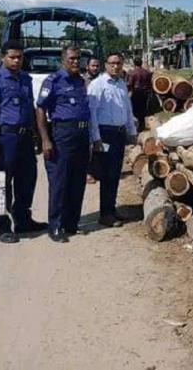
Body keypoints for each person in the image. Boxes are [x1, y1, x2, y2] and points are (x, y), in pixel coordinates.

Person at [0, 41, 47, 243]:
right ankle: (2, 225)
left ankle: (23, 220)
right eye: (12, 57)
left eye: (20, 57)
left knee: (27, 179)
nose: (17, 60)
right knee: (2, 183)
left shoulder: (26, 79)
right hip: (6, 138)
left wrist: (37, 136)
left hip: (25, 137)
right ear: (3, 57)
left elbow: (31, 109)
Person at [36, 46, 91, 243]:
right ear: (63, 60)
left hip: (82, 135)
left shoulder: (80, 81)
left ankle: (71, 222)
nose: (76, 62)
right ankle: (56, 225)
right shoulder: (53, 81)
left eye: (78, 59)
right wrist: (45, 139)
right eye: (72, 59)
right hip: (62, 135)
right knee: (59, 182)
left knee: (77, 181)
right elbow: (41, 110)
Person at [88, 53, 138, 227]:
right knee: (107, 174)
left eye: (118, 63)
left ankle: (111, 209)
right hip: (105, 134)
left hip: (118, 133)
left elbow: (127, 109)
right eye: (112, 63)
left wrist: (131, 131)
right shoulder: (97, 85)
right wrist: (96, 138)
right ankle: (105, 214)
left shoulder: (121, 84)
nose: (115, 66)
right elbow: (92, 114)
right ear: (105, 65)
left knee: (115, 173)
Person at [127, 56, 152, 131]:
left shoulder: (133, 73)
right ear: (141, 63)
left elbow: (130, 83)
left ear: (134, 63)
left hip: (136, 93)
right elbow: (150, 83)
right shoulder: (146, 72)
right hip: (145, 92)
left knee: (135, 110)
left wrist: (127, 91)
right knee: (143, 109)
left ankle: (137, 126)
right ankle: (142, 125)